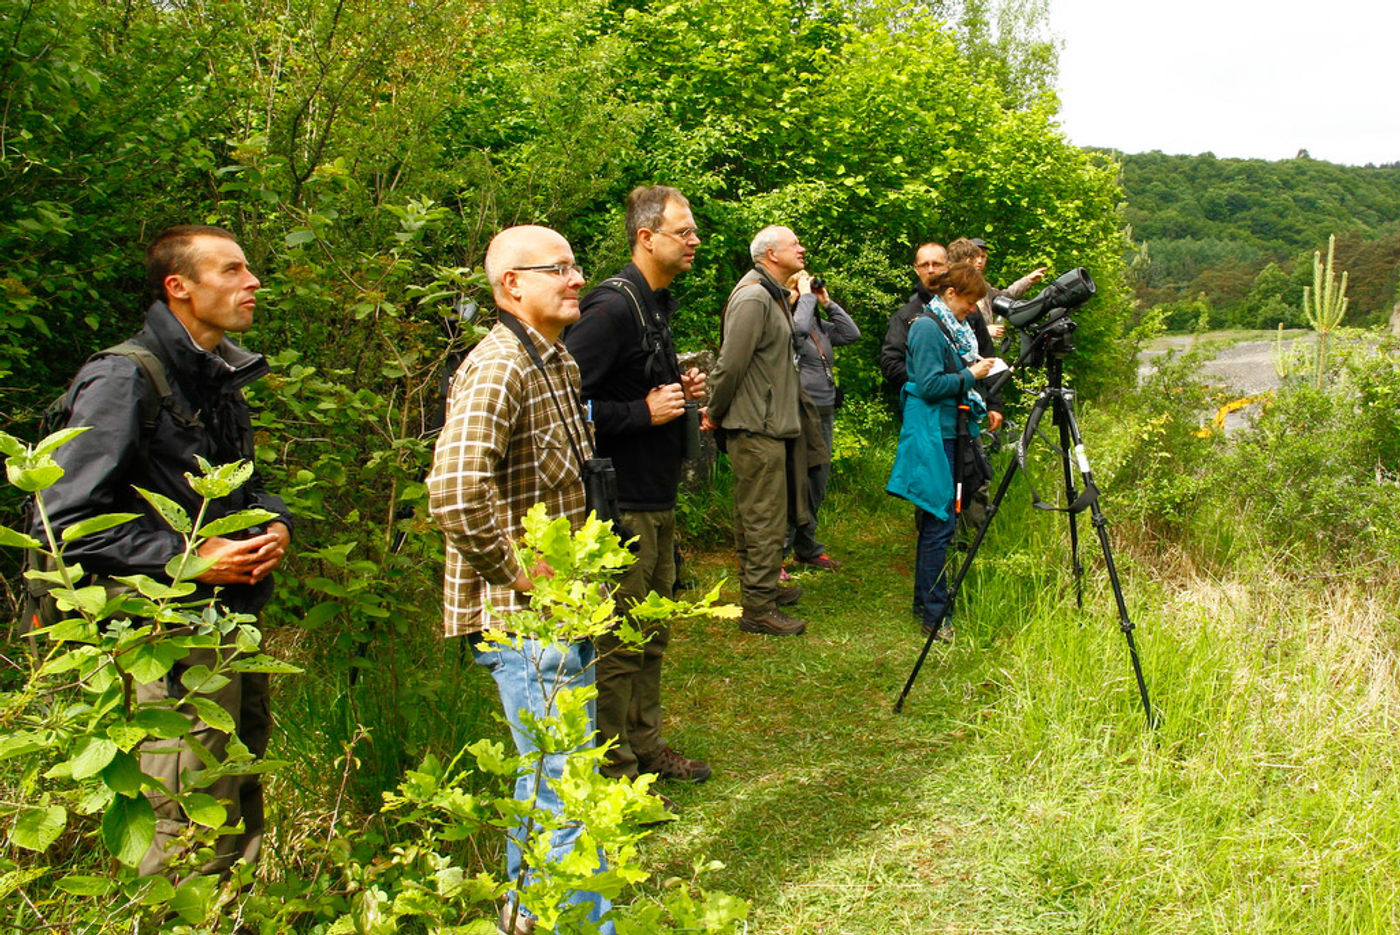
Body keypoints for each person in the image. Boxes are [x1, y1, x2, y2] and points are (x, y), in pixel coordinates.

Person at [38, 225, 293, 878]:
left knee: (235, 786)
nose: (252, 281)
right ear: (179, 288)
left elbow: (248, 483)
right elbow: (64, 518)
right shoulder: (124, 377)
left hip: (229, 625)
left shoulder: (218, 375)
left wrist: (277, 525)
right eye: (232, 270)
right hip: (162, 631)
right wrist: (186, 556)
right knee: (182, 802)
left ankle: (227, 919)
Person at [427, 225, 612, 934]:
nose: (575, 278)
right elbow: (453, 489)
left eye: (575, 265)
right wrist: (517, 571)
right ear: (512, 286)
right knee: (564, 789)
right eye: (558, 268)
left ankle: (527, 917)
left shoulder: (556, 362)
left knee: (551, 784)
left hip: (568, 613)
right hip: (528, 623)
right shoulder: (499, 364)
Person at [564, 185, 711, 789]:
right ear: (646, 238)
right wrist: (640, 414)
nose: (695, 241)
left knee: (649, 635)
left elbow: (631, 387)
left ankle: (645, 748)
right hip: (620, 505)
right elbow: (565, 405)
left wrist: (678, 392)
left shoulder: (655, 304)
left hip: (655, 498)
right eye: (684, 231)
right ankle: (614, 772)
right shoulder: (611, 309)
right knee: (618, 646)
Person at [701, 225, 809, 637]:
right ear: (770, 254)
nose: (801, 248)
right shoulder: (753, 296)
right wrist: (714, 410)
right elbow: (730, 364)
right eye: (793, 243)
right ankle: (758, 607)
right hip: (756, 426)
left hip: (767, 424)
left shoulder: (771, 294)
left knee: (762, 513)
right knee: (762, 517)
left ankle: (761, 588)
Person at [886, 261, 997, 643]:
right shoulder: (929, 329)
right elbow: (930, 385)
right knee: (940, 523)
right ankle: (934, 616)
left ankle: (928, 603)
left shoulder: (952, 327)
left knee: (942, 522)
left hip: (953, 431)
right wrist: (972, 376)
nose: (972, 310)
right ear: (950, 294)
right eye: (969, 302)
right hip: (936, 436)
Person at [785, 269, 859, 570]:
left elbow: (852, 334)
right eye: (800, 283)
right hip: (801, 412)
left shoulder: (820, 327)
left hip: (825, 411)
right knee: (796, 483)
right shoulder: (788, 323)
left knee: (817, 483)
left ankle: (807, 546)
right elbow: (797, 331)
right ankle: (778, 553)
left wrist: (826, 302)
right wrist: (802, 298)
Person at [880, 241, 947, 394]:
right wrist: (924, 382)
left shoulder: (965, 308)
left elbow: (986, 353)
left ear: (947, 266)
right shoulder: (905, 316)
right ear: (917, 269)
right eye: (924, 265)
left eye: (936, 264)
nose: (930, 270)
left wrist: (994, 404)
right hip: (923, 402)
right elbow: (890, 363)